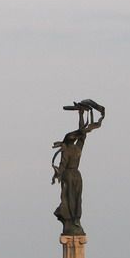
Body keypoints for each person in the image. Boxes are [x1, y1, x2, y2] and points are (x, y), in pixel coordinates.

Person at [51, 100, 105, 235]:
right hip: (77, 175)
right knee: (77, 198)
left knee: (70, 197)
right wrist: (81, 115)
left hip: (69, 175)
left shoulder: (67, 150)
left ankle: (72, 220)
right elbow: (82, 134)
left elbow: (63, 164)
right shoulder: (77, 148)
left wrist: (57, 174)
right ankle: (75, 220)